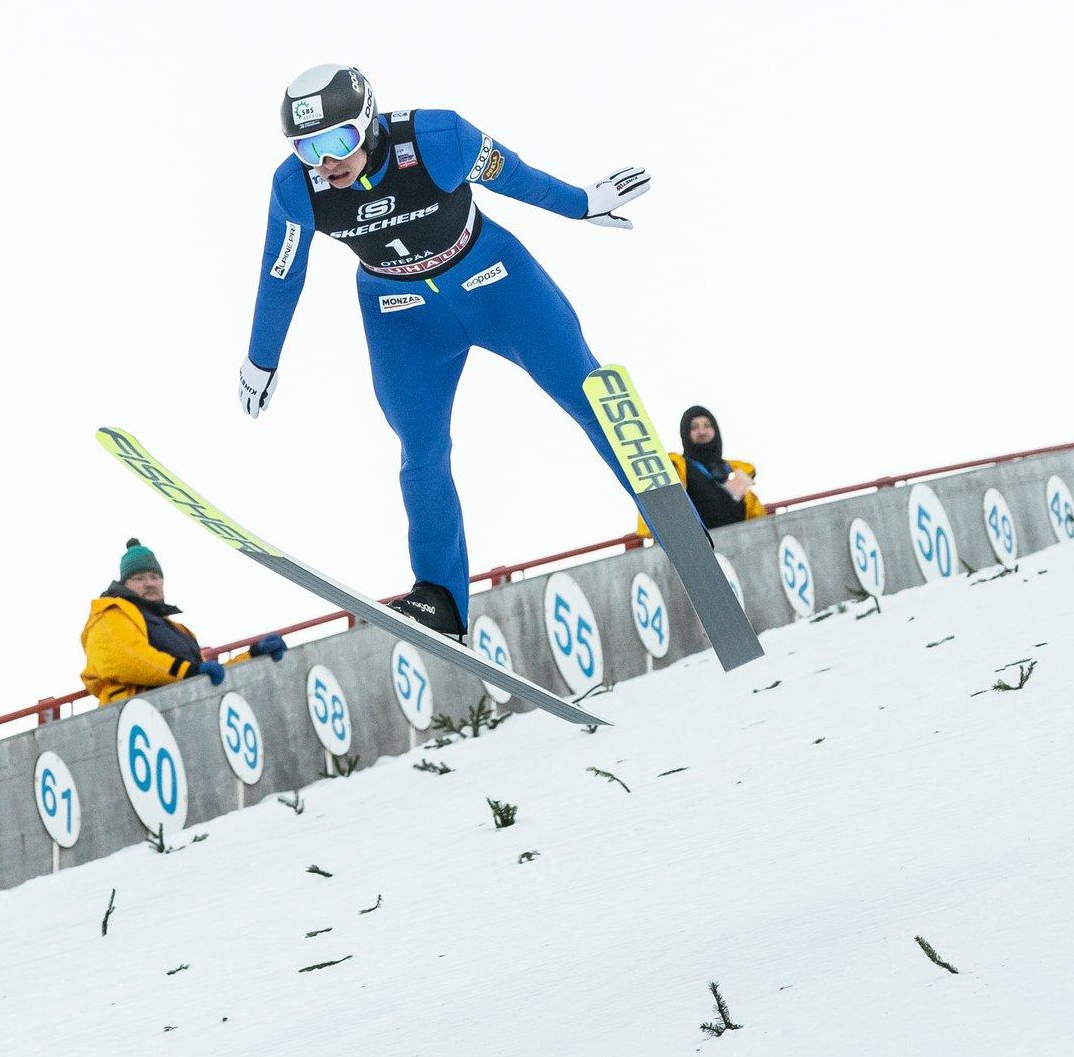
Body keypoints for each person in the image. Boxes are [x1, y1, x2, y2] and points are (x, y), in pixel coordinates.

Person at [240, 65, 652, 642]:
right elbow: (282, 270)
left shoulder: (436, 140)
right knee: (421, 447)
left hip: (497, 282)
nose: (325, 162)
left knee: (586, 388)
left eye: (338, 141)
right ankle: (440, 598)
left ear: (368, 123)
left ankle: (667, 505)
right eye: (308, 147)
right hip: (401, 315)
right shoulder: (296, 187)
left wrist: (581, 203)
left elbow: (516, 177)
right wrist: (262, 357)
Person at [80, 539, 287, 704]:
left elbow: (204, 672)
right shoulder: (110, 612)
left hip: (185, 711)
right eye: (139, 578)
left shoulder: (178, 629)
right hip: (139, 719)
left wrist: (252, 656)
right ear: (124, 584)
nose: (150, 584)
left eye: (154, 576)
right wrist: (186, 672)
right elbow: (126, 658)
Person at [636, 405, 766, 535]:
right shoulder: (676, 467)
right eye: (694, 427)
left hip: (740, 543)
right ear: (685, 433)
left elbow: (757, 516)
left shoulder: (736, 470)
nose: (702, 431)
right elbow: (657, 503)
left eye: (707, 425)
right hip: (698, 549)